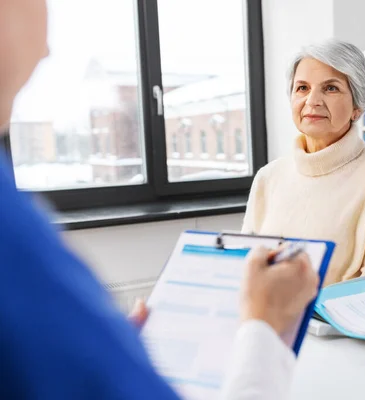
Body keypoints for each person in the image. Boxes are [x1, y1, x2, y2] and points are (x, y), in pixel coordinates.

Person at [0, 1, 318, 399]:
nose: (46, 49)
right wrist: (265, 330)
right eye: (302, 88)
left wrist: (110, 348)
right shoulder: (10, 232)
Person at [242, 39, 365, 286]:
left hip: (335, 324)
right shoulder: (268, 178)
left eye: (330, 88)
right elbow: (246, 268)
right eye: (302, 88)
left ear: (357, 106)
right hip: (267, 320)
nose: (312, 101)